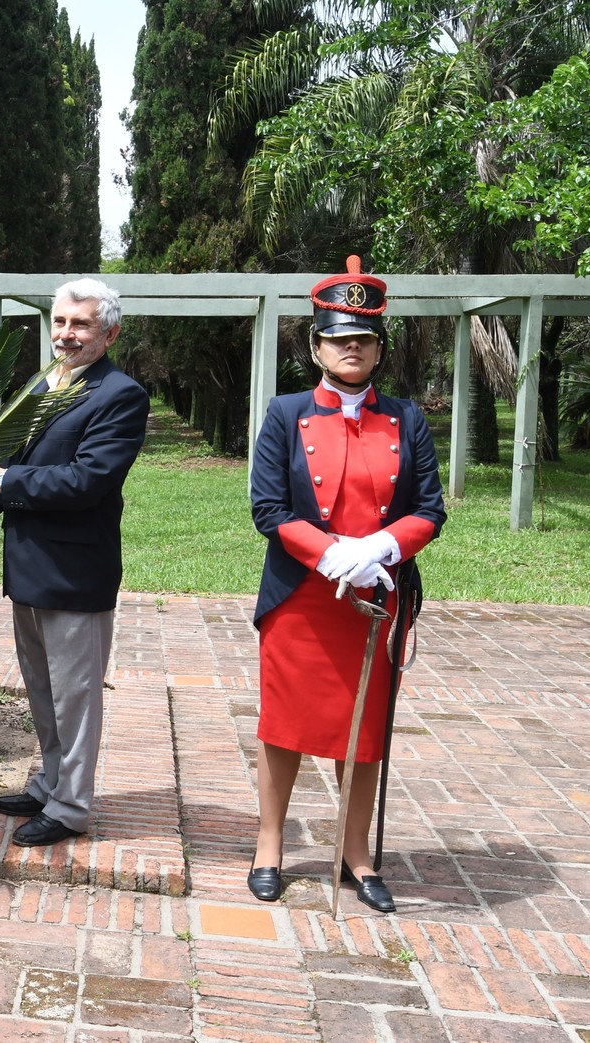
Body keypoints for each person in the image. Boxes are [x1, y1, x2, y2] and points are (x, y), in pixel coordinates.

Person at [246, 257, 445, 912]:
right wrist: (332, 554)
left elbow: (428, 507)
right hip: (302, 599)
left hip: (375, 602)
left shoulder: (406, 420)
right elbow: (269, 510)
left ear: (379, 346)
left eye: (362, 336)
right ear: (314, 346)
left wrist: (382, 547)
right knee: (285, 725)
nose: (350, 346)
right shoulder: (284, 413)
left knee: (363, 735)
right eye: (337, 336)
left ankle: (355, 853)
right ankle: (268, 844)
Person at [0, 278, 149, 847]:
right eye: (60, 322)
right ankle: (49, 781)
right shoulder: (44, 385)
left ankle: (70, 807)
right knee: (42, 690)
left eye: (81, 324)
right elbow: (8, 466)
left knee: (75, 695)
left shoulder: (120, 395)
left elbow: (87, 481)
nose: (66, 334)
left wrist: (5, 479)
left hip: (75, 573)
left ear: (109, 333)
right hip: (28, 569)